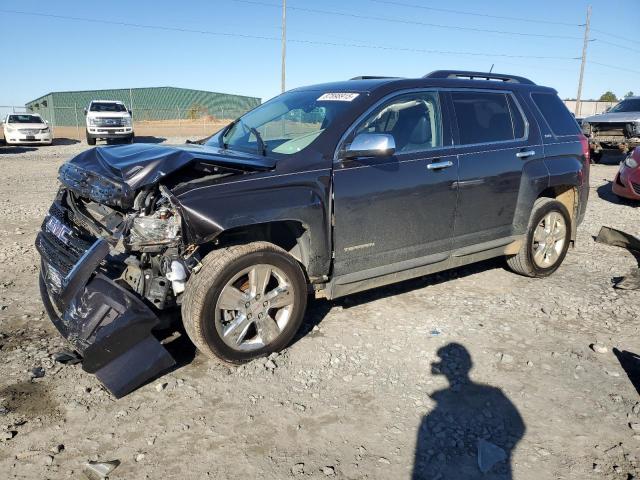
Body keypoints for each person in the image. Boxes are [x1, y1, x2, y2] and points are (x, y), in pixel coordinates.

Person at [412, 343, 525, 479]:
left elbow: (517, 426)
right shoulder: (492, 395)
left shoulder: (492, 395)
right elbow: (517, 426)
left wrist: (494, 451)